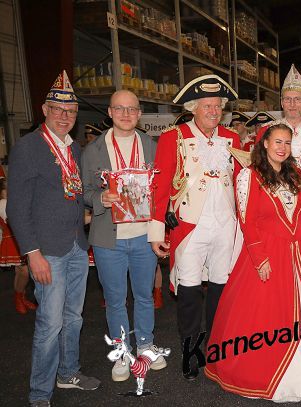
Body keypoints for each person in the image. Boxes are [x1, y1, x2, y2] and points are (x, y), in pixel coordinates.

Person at [205, 123, 301, 401]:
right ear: (265, 143)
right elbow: (248, 221)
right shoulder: (249, 176)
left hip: (296, 253)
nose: (282, 148)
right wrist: (259, 257)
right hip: (266, 252)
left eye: (287, 142)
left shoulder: (293, 173)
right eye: (277, 142)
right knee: (266, 312)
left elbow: (296, 213)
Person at [7, 71, 100, 407]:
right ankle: (39, 393)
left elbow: (71, 193)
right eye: (58, 110)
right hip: (47, 251)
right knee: (50, 323)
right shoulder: (28, 147)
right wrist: (32, 253)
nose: (65, 116)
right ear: (45, 110)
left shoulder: (74, 148)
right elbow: (16, 208)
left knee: (74, 317)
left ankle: (68, 372)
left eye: (71, 111)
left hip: (75, 246)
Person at [148, 74, 243, 381]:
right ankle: (190, 350)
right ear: (193, 108)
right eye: (207, 106)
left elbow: (242, 183)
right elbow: (160, 187)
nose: (213, 111)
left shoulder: (232, 138)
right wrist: (156, 231)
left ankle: (214, 346)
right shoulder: (173, 138)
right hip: (190, 226)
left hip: (226, 225)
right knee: (189, 291)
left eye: (217, 105)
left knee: (220, 287)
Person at [81, 89, 167, 382]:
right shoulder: (93, 150)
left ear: (140, 113)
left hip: (144, 235)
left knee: (144, 296)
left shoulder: (152, 146)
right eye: (119, 108)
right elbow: (84, 192)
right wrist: (100, 198)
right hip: (109, 238)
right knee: (115, 299)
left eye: (131, 109)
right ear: (110, 112)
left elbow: (162, 190)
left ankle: (145, 345)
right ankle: (122, 352)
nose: (126, 114)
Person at [256, 64, 301, 165]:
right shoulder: (266, 131)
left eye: (297, 99)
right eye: (287, 99)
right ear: (282, 102)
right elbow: (258, 165)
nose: (292, 104)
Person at [0, 177, 37, 314]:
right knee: (24, 271)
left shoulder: (11, 201)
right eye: (7, 188)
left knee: (22, 272)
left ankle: (21, 297)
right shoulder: (3, 202)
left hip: (19, 239)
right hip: (14, 241)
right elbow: (13, 221)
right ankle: (18, 297)